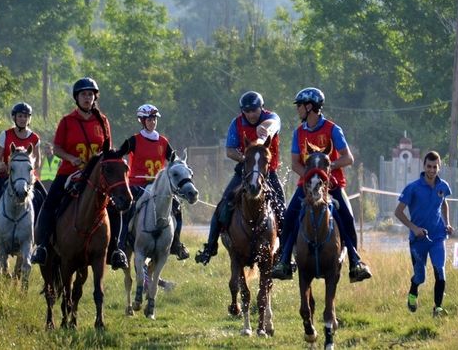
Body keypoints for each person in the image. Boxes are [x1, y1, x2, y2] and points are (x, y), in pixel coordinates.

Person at [270, 87, 372, 283]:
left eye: (299, 105)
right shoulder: (298, 133)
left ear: (310, 107)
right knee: (289, 216)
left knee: (347, 218)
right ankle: (284, 261)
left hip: (332, 185)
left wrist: (326, 170)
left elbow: (348, 158)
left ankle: (355, 262)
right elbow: (295, 163)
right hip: (306, 185)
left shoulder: (333, 129)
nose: (297, 109)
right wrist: (310, 178)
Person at [31, 77, 129, 269]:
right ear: (77, 98)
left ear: (95, 98)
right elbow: (57, 148)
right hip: (70, 172)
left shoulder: (103, 121)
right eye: (83, 94)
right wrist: (70, 158)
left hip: (97, 175)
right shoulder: (67, 121)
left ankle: (115, 250)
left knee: (115, 208)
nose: (87, 98)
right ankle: (42, 247)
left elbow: (108, 149)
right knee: (49, 204)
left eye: (90, 94)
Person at [195, 91, 285, 265]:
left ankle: (285, 255)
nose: (251, 114)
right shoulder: (236, 124)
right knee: (222, 206)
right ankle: (210, 247)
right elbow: (230, 150)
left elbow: (272, 126)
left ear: (262, 108)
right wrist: (246, 160)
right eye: (247, 111)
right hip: (245, 171)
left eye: (254, 110)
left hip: (268, 172)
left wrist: (262, 134)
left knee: (283, 208)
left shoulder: (271, 118)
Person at [115, 104, 189, 260]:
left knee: (176, 207)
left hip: (157, 186)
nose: (152, 122)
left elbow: (174, 161)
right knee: (129, 208)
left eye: (154, 119)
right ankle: (121, 244)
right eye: (149, 119)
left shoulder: (163, 142)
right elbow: (118, 155)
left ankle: (176, 243)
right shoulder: (133, 140)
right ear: (142, 121)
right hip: (137, 184)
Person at [394, 150, 453, 317]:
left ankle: (438, 308)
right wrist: (414, 228)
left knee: (440, 271)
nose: (432, 170)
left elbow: (444, 204)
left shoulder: (443, 186)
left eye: (435, 167)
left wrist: (447, 223)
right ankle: (413, 293)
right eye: (429, 166)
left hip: (437, 237)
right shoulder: (413, 188)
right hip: (418, 239)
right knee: (420, 277)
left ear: (439, 167)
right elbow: (398, 212)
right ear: (424, 166)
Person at [0, 102, 47, 236]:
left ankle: (43, 237)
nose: (23, 119)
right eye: (20, 116)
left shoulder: (35, 138)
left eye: (26, 116)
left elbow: (37, 162)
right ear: (14, 117)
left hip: (28, 179)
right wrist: (1, 164)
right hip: (6, 177)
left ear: (29, 119)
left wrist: (30, 170)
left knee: (46, 200)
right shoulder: (5, 135)